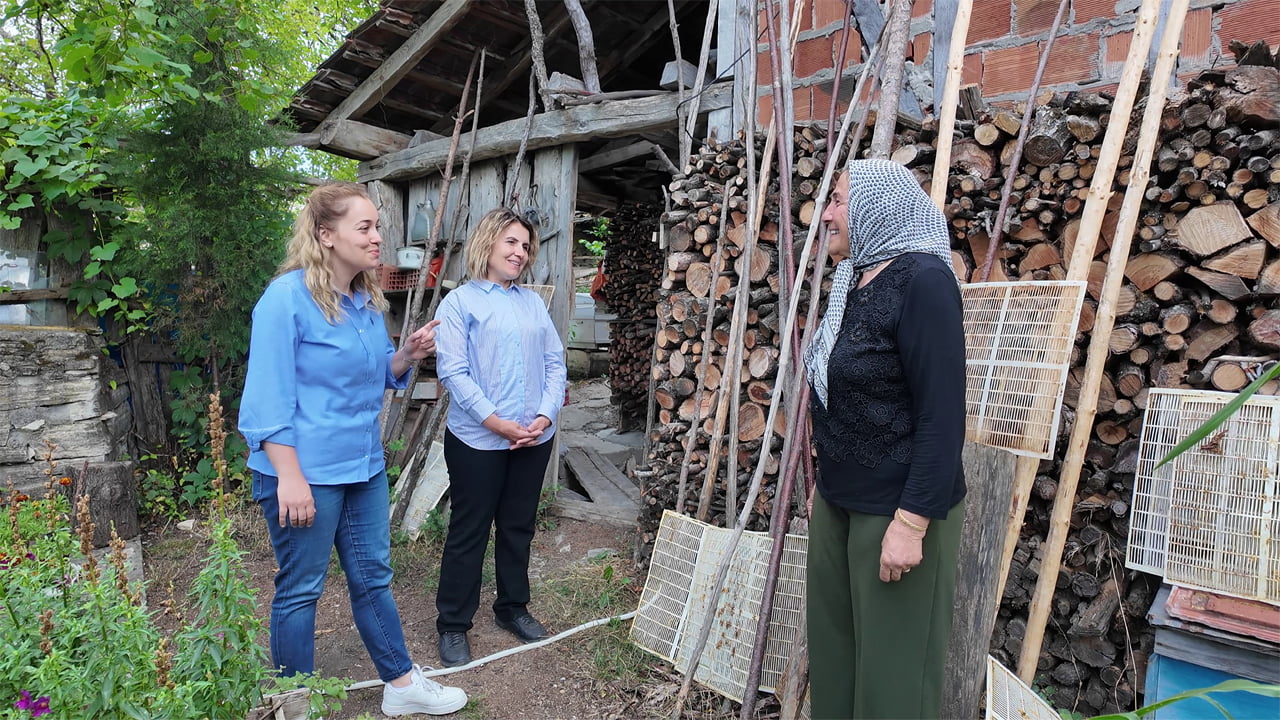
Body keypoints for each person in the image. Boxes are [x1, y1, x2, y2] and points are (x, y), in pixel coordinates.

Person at [239, 182, 467, 717]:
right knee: (301, 588)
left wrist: (405, 355)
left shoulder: (364, 301)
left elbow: (369, 376)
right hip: (304, 472)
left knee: (372, 577)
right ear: (325, 235)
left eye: (376, 227)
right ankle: (291, 703)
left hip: (362, 468)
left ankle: (402, 684)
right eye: (364, 227)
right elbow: (266, 399)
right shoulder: (286, 299)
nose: (376, 237)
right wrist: (289, 477)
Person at [802, 159, 968, 719]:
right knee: (835, 656)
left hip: (898, 509)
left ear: (878, 208)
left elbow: (942, 417)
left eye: (839, 201)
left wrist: (913, 522)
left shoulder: (924, 281)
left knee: (893, 675)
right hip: (840, 498)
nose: (826, 214)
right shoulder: (853, 279)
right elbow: (843, 393)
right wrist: (825, 484)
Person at [432, 207, 567, 667]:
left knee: (517, 527)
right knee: (469, 531)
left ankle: (512, 608)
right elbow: (453, 371)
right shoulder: (459, 304)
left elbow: (555, 363)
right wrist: (495, 422)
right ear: (488, 243)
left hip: (531, 438)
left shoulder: (532, 303)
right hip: (477, 440)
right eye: (511, 242)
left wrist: (545, 418)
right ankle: (453, 624)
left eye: (525, 246)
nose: (520, 252)